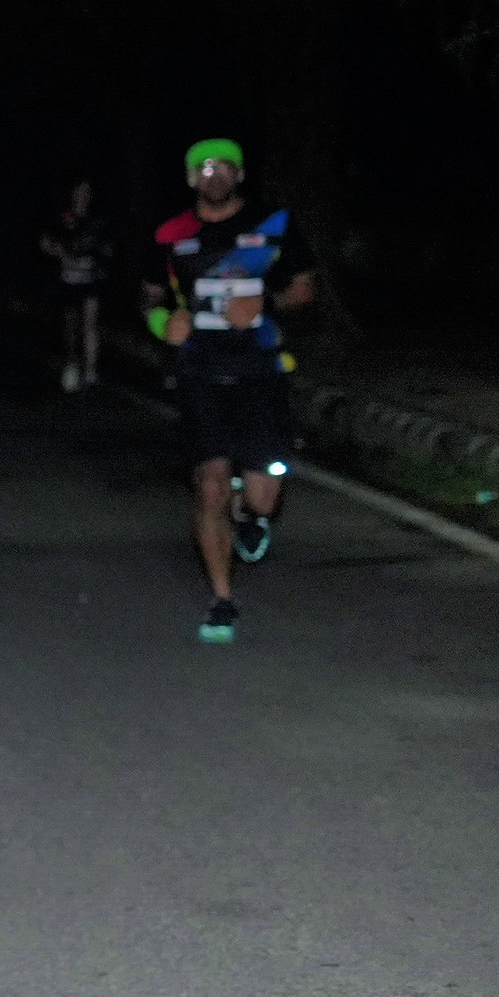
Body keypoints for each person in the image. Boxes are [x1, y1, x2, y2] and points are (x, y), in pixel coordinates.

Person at [146, 138, 315, 644]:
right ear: (190, 178)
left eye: (224, 167)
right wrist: (162, 323)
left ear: (239, 175)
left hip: (260, 370)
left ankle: (252, 516)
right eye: (204, 168)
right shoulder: (171, 234)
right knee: (210, 483)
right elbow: (150, 297)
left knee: (265, 488)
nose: (214, 174)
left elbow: (303, 288)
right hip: (200, 372)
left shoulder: (273, 224)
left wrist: (266, 305)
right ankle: (222, 599)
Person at [41, 180, 111, 393]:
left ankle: (90, 371)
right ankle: (72, 363)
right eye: (80, 191)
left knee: (90, 324)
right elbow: (46, 242)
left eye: (87, 191)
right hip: (68, 281)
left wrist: (101, 257)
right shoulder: (63, 219)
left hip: (90, 280)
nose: (83, 195)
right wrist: (56, 250)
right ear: (73, 194)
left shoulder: (97, 221)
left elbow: (106, 248)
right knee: (71, 326)